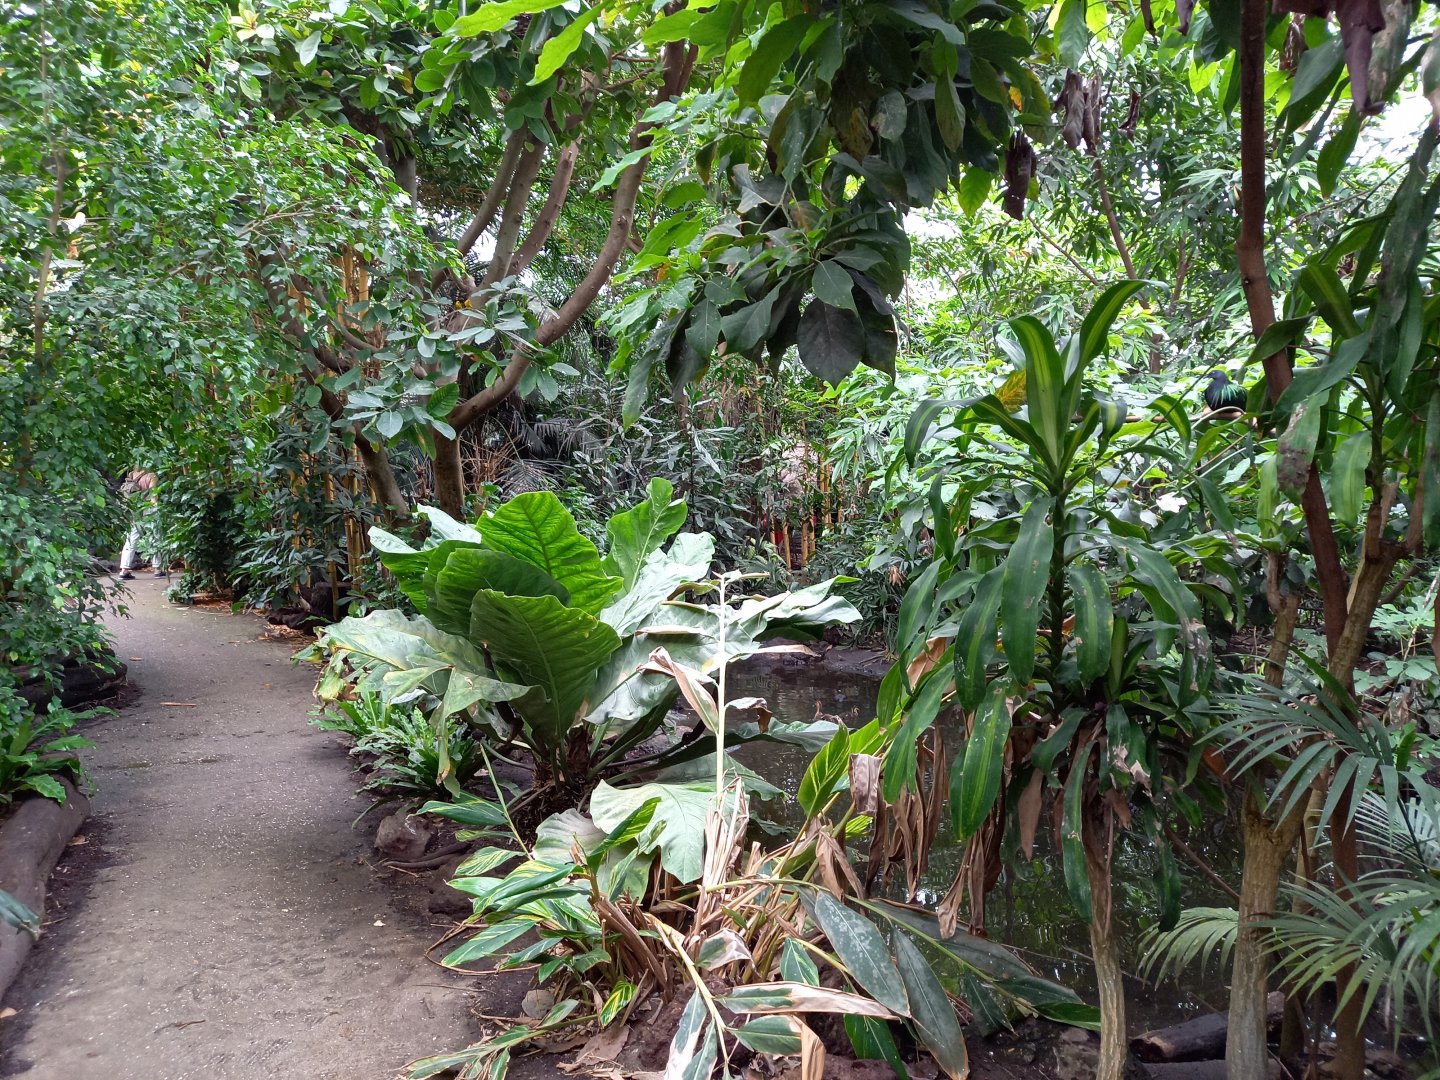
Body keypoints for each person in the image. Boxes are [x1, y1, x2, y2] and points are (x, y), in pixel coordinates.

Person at [117, 469, 164, 580]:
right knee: (154, 537)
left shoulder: (132, 474)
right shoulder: (152, 476)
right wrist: (156, 507)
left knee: (131, 538)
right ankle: (157, 569)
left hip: (134, 510)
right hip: (148, 509)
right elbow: (153, 494)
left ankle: (124, 570)